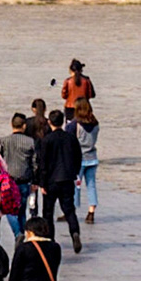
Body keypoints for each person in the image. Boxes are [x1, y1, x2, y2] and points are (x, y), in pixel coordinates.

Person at [39, 109, 83, 252]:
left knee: (48, 212)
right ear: (63, 121)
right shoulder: (71, 138)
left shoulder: (46, 140)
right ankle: (75, 232)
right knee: (69, 210)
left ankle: (50, 240)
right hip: (67, 178)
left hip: (51, 181)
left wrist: (42, 183)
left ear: (49, 122)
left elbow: (43, 164)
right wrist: (74, 172)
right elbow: (78, 157)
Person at [0, 113, 37, 239]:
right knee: (22, 211)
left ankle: (17, 233)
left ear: (11, 124)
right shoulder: (30, 142)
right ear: (24, 126)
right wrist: (35, 181)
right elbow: (34, 163)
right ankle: (21, 234)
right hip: (24, 180)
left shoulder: (3, 141)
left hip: (7, 182)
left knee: (8, 209)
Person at [71, 97, 100, 225]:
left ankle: (72, 210)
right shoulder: (95, 123)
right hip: (92, 157)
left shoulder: (75, 124)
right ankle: (91, 211)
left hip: (78, 159)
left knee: (76, 185)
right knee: (91, 185)